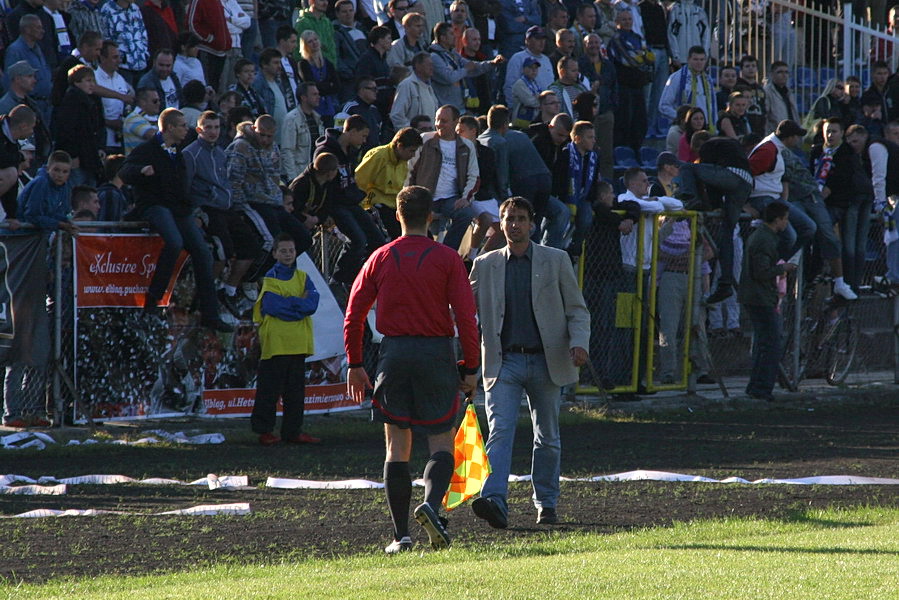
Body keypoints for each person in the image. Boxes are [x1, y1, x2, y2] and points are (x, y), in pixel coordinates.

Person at [344, 184, 480, 554]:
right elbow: (466, 318)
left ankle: (400, 536)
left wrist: (355, 363)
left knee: (396, 445)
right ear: (431, 217)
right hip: (436, 352)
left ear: (398, 216)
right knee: (440, 441)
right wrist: (471, 366)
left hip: (395, 353)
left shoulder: (381, 256)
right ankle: (432, 508)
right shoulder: (448, 258)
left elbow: (354, 314)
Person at [469, 196, 590, 529]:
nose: (515, 225)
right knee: (500, 431)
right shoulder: (486, 264)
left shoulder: (556, 260)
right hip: (503, 360)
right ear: (502, 222)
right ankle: (494, 501)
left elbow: (577, 310)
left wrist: (579, 343)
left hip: (546, 360)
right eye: (509, 218)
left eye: (521, 218)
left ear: (532, 224)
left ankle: (546, 503)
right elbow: (464, 311)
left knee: (547, 435)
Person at [120, 108, 231, 332]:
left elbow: (182, 189)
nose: (186, 129)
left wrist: (192, 210)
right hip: (153, 205)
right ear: (170, 127)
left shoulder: (177, 153)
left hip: (176, 208)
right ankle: (153, 300)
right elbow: (124, 172)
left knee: (203, 252)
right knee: (174, 242)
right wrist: (142, 170)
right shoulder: (148, 149)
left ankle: (210, 314)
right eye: (182, 125)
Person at [184, 110, 261, 316]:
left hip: (226, 208)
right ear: (199, 129)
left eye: (216, 127)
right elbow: (185, 187)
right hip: (207, 208)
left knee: (252, 245)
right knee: (222, 250)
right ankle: (203, 297)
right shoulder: (191, 154)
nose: (213, 131)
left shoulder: (220, 152)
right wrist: (195, 213)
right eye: (208, 127)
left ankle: (228, 290)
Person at [251, 233, 321, 446]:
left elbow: (312, 304)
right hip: (276, 344)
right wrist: (298, 305)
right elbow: (272, 307)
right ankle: (264, 432)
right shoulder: (270, 278)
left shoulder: (303, 277)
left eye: (291, 250)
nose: (288, 254)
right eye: (283, 251)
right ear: (274, 254)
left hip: (298, 344)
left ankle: (293, 432)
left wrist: (290, 304)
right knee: (269, 391)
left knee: (296, 393)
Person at [313, 114, 385, 283]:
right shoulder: (326, 151)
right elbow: (321, 184)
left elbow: (349, 179)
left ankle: (361, 277)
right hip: (334, 204)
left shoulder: (350, 151)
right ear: (352, 131)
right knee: (358, 241)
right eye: (363, 136)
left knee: (378, 241)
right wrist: (324, 212)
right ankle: (339, 280)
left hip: (349, 202)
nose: (364, 141)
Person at [738, 201, 796, 402]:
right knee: (771, 344)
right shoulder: (765, 240)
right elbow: (761, 271)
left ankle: (756, 386)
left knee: (765, 343)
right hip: (760, 297)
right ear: (778, 219)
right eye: (785, 219)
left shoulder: (763, 236)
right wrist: (783, 269)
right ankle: (762, 387)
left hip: (757, 295)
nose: (786, 223)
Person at [407, 105, 478, 251]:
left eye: (444, 120)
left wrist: (465, 198)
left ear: (455, 122)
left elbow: (474, 176)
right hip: (425, 196)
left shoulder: (467, 146)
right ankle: (422, 251)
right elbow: (409, 170)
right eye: (437, 119)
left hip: (452, 199)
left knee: (466, 214)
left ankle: (446, 252)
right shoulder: (425, 140)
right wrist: (409, 196)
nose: (439, 124)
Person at [354, 126, 423, 240]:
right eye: (412, 151)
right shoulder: (379, 156)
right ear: (400, 146)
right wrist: (361, 211)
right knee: (394, 237)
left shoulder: (402, 161)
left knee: (421, 235)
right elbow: (359, 182)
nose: (413, 155)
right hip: (375, 206)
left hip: (394, 207)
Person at [428, 21, 502, 112]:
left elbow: (473, 66)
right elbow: (449, 77)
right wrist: (465, 69)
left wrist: (492, 63)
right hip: (445, 108)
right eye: (451, 34)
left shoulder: (453, 54)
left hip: (460, 107)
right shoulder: (434, 57)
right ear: (443, 38)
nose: (455, 37)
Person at [552, 119, 601, 259]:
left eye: (594, 137)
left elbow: (594, 183)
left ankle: (575, 248)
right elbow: (559, 179)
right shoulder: (565, 153)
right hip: (564, 198)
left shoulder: (594, 157)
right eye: (590, 137)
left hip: (583, 198)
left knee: (586, 217)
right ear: (578, 138)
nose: (593, 140)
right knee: (563, 215)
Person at [53, 64, 105, 187]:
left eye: (93, 80)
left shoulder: (90, 101)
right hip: (78, 159)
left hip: (88, 156)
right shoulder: (71, 102)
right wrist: (73, 155)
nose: (92, 84)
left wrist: (99, 147)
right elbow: (66, 131)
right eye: (88, 80)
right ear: (76, 82)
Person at [17, 149, 77, 234]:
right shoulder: (41, 182)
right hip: (19, 235)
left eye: (65, 172)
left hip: (36, 235)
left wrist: (67, 221)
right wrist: (59, 224)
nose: (60, 175)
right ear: (48, 168)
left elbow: (54, 214)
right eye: (56, 170)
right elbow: (32, 215)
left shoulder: (64, 186)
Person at [100, 0, 150, 86]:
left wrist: (144, 53)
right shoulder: (107, 10)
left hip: (141, 64)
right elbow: (106, 38)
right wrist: (121, 58)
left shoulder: (135, 8)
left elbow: (143, 33)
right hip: (123, 67)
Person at [281, 82, 323, 181]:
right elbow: (287, 150)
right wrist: (293, 178)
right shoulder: (291, 119)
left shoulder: (317, 119)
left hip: (315, 174)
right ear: (303, 97)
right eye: (314, 94)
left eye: (318, 94)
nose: (318, 97)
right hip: (300, 174)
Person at [503, 25, 553, 106]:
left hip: (546, 109)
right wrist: (512, 108)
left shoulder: (546, 60)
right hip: (525, 110)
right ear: (527, 40)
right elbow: (509, 87)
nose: (542, 42)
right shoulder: (518, 58)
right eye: (537, 38)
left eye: (543, 39)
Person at [299, 29, 340, 126]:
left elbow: (337, 86)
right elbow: (310, 86)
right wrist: (328, 85)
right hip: (313, 109)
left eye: (315, 39)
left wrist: (321, 87)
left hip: (329, 107)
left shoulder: (327, 62)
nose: (314, 43)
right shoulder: (303, 64)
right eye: (310, 41)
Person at [389, 51, 440, 130]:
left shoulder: (429, 88)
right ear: (418, 66)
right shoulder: (406, 85)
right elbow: (396, 115)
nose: (432, 68)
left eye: (432, 65)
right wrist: (412, 132)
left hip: (428, 138)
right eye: (429, 65)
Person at [333, 0, 369, 102]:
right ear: (337, 14)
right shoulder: (335, 32)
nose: (348, 14)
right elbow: (336, 57)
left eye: (350, 10)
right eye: (344, 11)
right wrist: (349, 73)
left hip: (365, 77)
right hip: (349, 81)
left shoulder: (362, 28)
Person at [764, 61, 799, 134]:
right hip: (776, 135)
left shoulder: (789, 92)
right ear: (772, 74)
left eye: (786, 72)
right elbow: (765, 117)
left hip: (790, 135)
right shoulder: (767, 92)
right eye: (780, 72)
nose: (784, 75)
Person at [123, 88, 161, 155]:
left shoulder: (156, 118)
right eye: (155, 101)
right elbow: (154, 136)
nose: (158, 103)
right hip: (137, 163)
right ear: (143, 102)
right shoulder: (133, 118)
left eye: (159, 100)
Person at [510, 56, 544, 128]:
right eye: (531, 67)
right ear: (523, 69)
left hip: (533, 119)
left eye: (536, 68)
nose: (534, 70)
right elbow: (530, 102)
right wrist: (543, 103)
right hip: (521, 120)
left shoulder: (535, 83)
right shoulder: (520, 83)